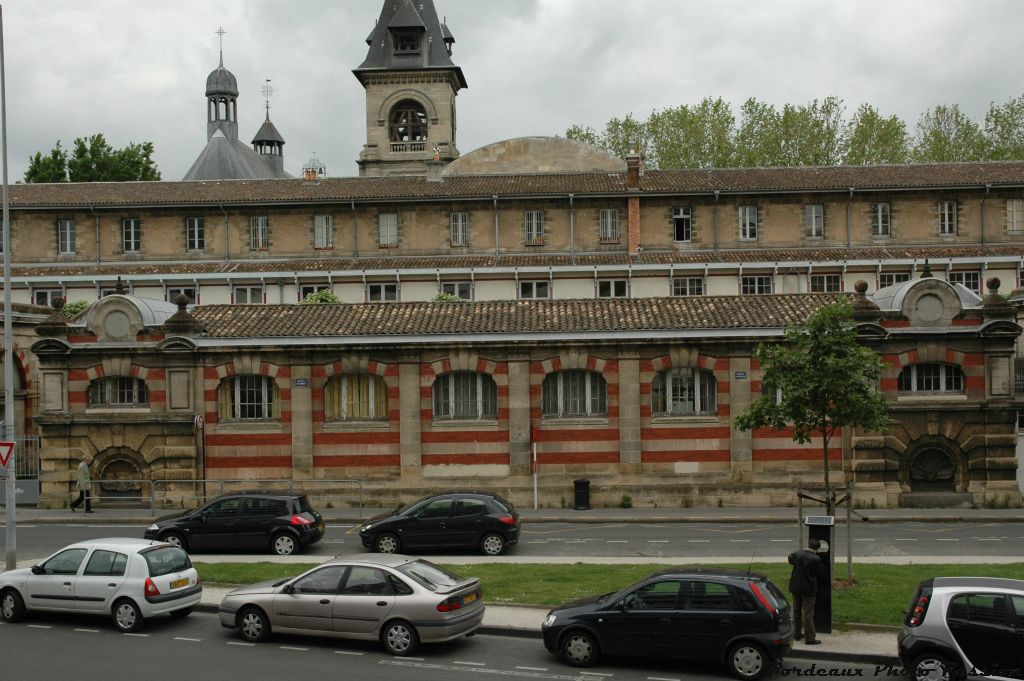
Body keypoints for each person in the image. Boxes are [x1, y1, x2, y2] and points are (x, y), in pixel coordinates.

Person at [788, 537, 825, 645]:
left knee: (796, 611)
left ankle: (797, 634)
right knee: (808, 613)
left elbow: (790, 559)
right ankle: (810, 638)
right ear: (817, 549)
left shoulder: (797, 554)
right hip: (808, 589)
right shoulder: (816, 559)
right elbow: (820, 573)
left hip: (795, 587)